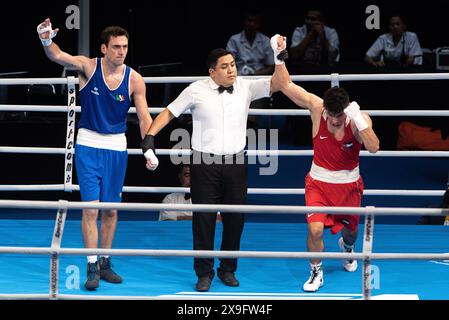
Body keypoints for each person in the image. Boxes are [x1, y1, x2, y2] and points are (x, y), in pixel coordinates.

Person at [141, 48, 279, 292]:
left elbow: (280, 82)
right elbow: (169, 112)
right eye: (224, 66)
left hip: (236, 162)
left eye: (233, 64)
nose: (231, 70)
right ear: (212, 72)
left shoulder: (246, 86)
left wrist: (278, 56)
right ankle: (204, 273)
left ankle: (228, 269)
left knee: (234, 220)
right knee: (203, 220)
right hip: (204, 164)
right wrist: (150, 136)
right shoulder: (196, 89)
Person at [37, 18, 153, 290]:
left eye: (124, 46)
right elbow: (57, 55)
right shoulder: (88, 67)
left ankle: (105, 261)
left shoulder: (135, 79)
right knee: (91, 209)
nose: (121, 51)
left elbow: (145, 116)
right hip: (88, 145)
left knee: (111, 210)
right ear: (104, 48)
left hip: (117, 147)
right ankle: (91, 266)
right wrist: (45, 39)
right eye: (115, 47)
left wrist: (148, 146)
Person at [271, 35, 380, 292]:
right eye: (330, 116)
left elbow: (374, 147)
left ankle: (348, 247)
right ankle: (316, 272)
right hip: (318, 183)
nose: (334, 121)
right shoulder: (316, 108)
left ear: (347, 110)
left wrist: (359, 122)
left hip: (349, 186)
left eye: (339, 116)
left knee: (351, 234)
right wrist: (278, 55)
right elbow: (284, 84)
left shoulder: (358, 119)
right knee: (315, 229)